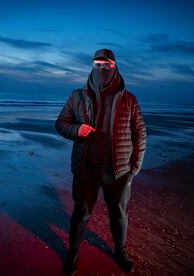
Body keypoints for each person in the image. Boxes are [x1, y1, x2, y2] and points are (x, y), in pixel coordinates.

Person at [55, 48, 147, 275]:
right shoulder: (78, 96)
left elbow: (140, 133)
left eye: (107, 66)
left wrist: (134, 168)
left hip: (119, 171)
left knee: (119, 215)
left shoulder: (129, 99)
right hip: (87, 169)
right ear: (92, 66)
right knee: (81, 214)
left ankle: (120, 251)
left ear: (115, 67)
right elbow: (60, 123)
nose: (102, 69)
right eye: (97, 65)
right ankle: (73, 254)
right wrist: (77, 129)